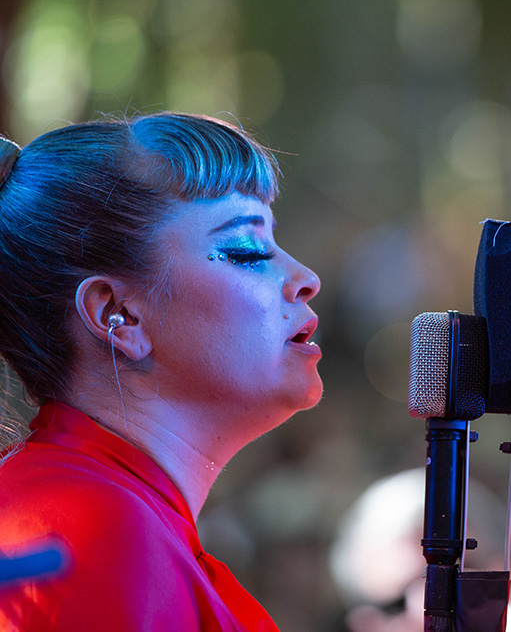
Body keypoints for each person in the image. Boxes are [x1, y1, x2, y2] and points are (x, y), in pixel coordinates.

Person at [0, 112, 323, 630]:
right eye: (248, 250)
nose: (306, 279)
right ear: (117, 314)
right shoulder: (92, 529)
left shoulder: (117, 518)